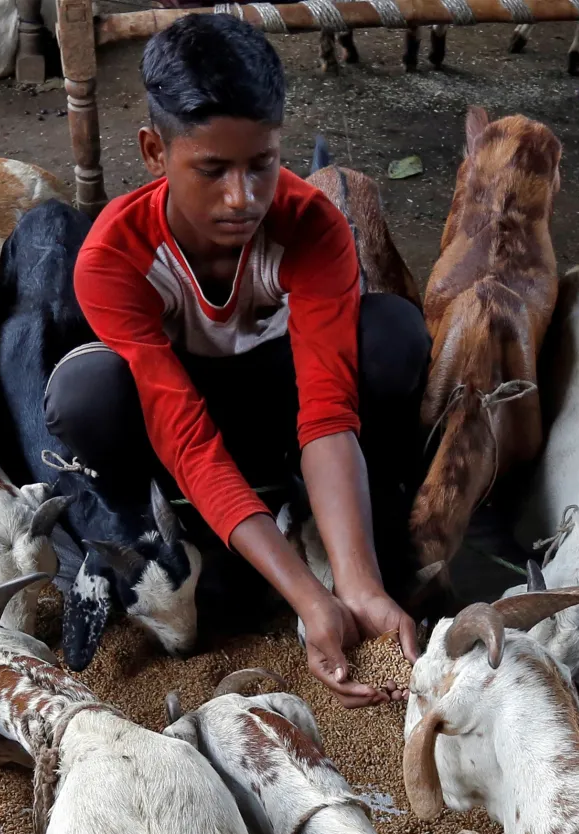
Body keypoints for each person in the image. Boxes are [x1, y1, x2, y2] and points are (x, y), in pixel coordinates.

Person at [47, 13, 429, 704]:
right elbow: (185, 435)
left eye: (262, 164)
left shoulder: (312, 225)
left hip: (278, 403)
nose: (243, 197)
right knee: (85, 393)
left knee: (394, 334)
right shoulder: (113, 256)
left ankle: (350, 522)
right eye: (212, 170)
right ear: (153, 153)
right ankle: (152, 530)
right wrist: (309, 598)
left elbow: (326, 411)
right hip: (180, 425)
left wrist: (356, 586)